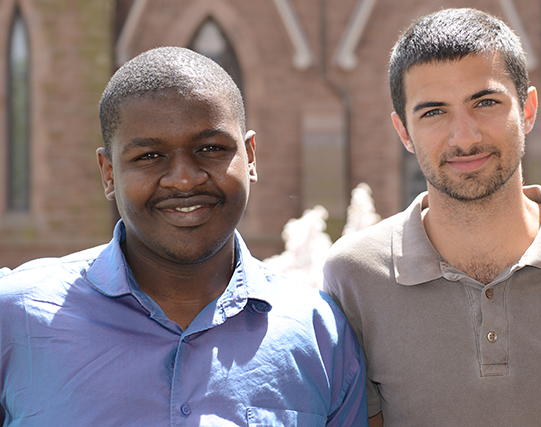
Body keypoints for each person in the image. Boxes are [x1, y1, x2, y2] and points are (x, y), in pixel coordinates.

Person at [0, 46, 368, 426]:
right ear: (109, 174)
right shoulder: (16, 318)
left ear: (250, 156)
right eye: (149, 156)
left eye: (210, 149)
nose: (184, 178)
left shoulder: (321, 333)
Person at [323, 8, 541, 427]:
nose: (465, 137)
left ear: (527, 110)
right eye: (433, 112)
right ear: (403, 132)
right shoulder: (355, 276)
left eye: (486, 102)